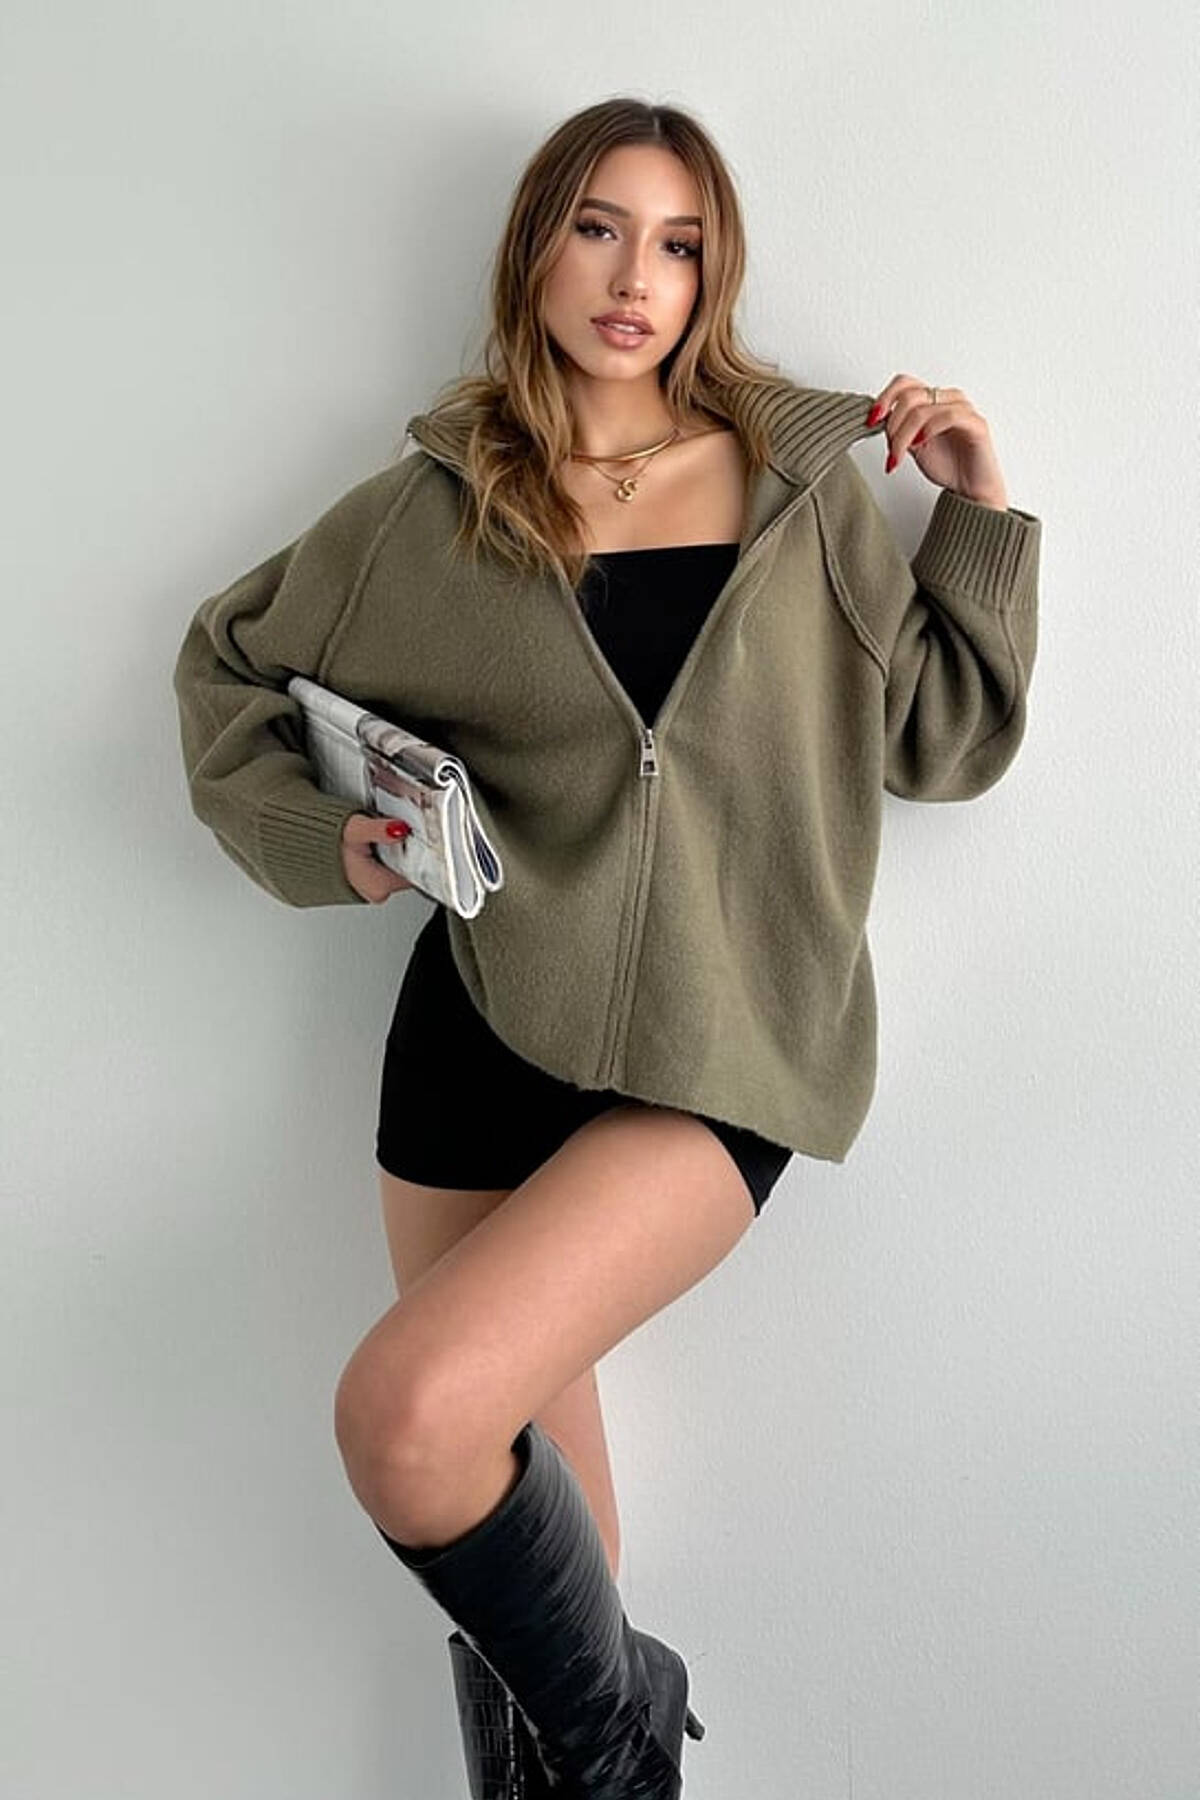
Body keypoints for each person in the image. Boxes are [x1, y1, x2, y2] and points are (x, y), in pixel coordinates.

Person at [171, 96, 1041, 1800]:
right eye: (597, 227)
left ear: (713, 274)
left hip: (723, 1052)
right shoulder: (439, 507)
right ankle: (613, 1734)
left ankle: (633, 1723)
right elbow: (225, 669)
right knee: (542, 1599)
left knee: (410, 1422)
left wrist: (980, 514)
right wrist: (324, 841)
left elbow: (940, 743)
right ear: (536, 247)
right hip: (476, 1040)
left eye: (679, 244)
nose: (636, 277)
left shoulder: (798, 489)